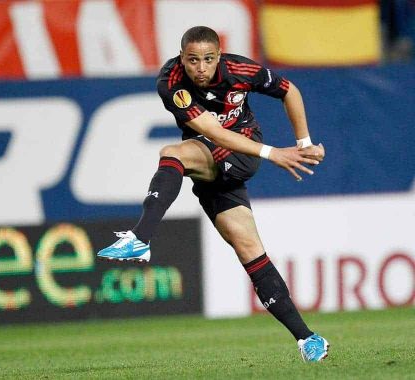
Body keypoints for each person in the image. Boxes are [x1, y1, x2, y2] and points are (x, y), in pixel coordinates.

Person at [97, 26, 329, 362]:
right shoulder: (171, 81)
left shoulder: (240, 70)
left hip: (243, 150)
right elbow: (212, 132)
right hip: (213, 162)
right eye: (193, 60)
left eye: (208, 59)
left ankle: (140, 236)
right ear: (182, 58)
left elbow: (289, 90)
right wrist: (275, 153)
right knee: (249, 249)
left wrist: (302, 145)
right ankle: (308, 339)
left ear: (219, 57)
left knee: (172, 153)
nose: (200, 68)